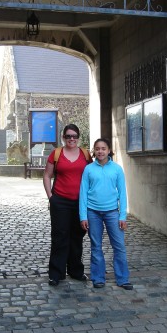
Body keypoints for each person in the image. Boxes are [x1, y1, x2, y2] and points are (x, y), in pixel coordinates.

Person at [79, 138, 133, 290]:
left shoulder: (116, 169)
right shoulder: (88, 169)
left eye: (103, 148)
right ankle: (98, 278)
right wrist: (83, 216)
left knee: (119, 246)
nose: (100, 151)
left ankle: (122, 279)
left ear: (109, 150)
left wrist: (122, 216)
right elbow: (83, 193)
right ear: (94, 151)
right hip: (93, 212)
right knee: (96, 246)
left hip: (112, 212)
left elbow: (122, 193)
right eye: (97, 149)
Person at [43, 124, 92, 286]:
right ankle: (56, 273)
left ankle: (75, 271)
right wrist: (51, 197)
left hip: (80, 202)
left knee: (77, 237)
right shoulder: (56, 154)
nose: (72, 139)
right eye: (68, 136)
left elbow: (93, 174)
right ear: (63, 137)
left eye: (75, 136)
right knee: (59, 237)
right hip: (61, 201)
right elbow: (47, 175)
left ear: (78, 137)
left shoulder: (85, 154)